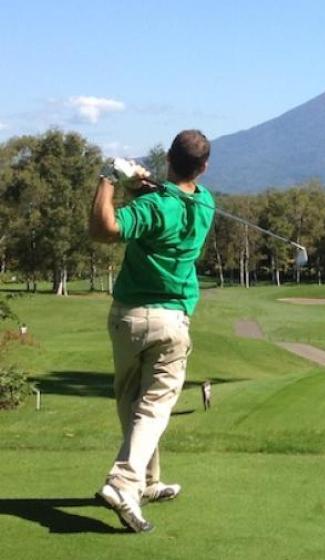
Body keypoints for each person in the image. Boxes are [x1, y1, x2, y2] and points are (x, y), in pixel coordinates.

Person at [88, 130, 215, 533]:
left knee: (133, 403)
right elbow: (170, 200)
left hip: (127, 317)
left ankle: (145, 482)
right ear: (204, 167)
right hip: (170, 319)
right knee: (153, 407)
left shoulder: (154, 204)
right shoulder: (206, 202)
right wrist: (141, 188)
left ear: (167, 160)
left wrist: (109, 179)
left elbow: (103, 228)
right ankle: (126, 483)